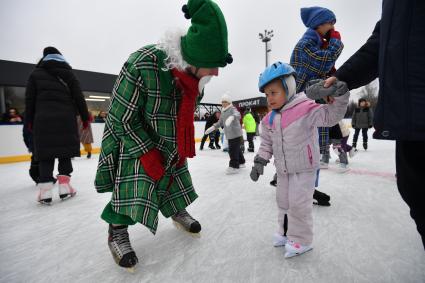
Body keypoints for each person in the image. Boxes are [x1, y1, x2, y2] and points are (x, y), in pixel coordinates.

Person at [95, 0, 233, 270]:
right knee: (134, 183)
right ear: (192, 58)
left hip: (169, 135)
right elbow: (120, 118)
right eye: (210, 65)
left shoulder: (198, 79)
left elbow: (185, 111)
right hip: (133, 137)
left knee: (176, 172)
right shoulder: (142, 63)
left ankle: (176, 209)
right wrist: (146, 152)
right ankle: (117, 229)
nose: (215, 73)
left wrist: (177, 145)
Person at [323, 0, 425, 248]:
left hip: (413, 106)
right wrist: (344, 77)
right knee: (416, 193)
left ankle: (346, 150)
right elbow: (382, 42)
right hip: (409, 114)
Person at [250, 62, 349, 258]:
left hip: (304, 167)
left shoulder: (305, 108)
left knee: (299, 204)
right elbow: (266, 144)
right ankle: (286, 233)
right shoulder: (269, 119)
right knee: (283, 202)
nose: (269, 98)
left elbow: (331, 117)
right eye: (267, 94)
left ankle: (302, 241)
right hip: (283, 169)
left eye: (274, 92)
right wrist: (260, 161)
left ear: (288, 88)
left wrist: (339, 96)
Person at [278, 6, 343, 206]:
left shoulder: (315, 44)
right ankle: (296, 187)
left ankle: (304, 187)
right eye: (330, 23)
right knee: (303, 148)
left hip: (310, 103)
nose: (333, 27)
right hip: (300, 107)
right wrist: (336, 42)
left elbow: (322, 74)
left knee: (310, 149)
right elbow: (323, 63)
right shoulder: (305, 44)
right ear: (320, 23)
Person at [25, 46, 89, 204]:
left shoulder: (35, 74)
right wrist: (85, 117)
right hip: (65, 119)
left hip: (43, 120)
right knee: (65, 152)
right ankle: (65, 187)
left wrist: (29, 122)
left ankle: (45, 192)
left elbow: (29, 101)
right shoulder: (69, 74)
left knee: (45, 154)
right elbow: (79, 97)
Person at [205, 93, 245, 174]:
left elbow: (238, 115)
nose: (223, 103)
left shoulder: (232, 109)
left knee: (232, 150)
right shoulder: (223, 111)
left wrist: (232, 117)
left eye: (225, 101)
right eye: (222, 101)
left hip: (235, 133)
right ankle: (242, 162)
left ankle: (234, 166)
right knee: (236, 149)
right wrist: (213, 127)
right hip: (229, 134)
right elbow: (220, 122)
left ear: (229, 102)